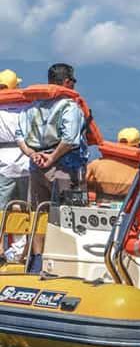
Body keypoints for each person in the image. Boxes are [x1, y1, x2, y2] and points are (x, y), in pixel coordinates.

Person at [15, 63, 87, 272]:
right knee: (68, 213)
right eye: (73, 81)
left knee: (39, 212)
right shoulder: (69, 107)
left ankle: (37, 261)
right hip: (64, 167)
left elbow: (20, 135)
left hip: (36, 166)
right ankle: (65, 263)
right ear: (67, 82)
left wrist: (33, 155)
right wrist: (51, 157)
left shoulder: (32, 107)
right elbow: (70, 140)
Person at [0, 70, 29, 261]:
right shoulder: (25, 109)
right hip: (25, 159)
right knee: (22, 206)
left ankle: (1, 249)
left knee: (1, 207)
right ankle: (19, 250)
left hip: (2, 160)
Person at [87, 127, 140, 203]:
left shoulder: (95, 164)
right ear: (137, 146)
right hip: (128, 210)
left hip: (101, 205)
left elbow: (82, 183)